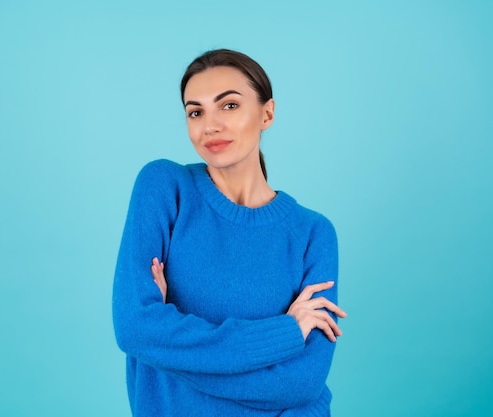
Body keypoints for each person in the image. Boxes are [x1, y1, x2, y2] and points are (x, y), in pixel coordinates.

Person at [113, 49, 346, 417]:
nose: (210, 125)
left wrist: (168, 345)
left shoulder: (313, 233)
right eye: (196, 112)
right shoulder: (164, 187)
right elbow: (134, 329)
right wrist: (284, 333)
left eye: (230, 106)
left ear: (267, 113)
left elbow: (303, 383)